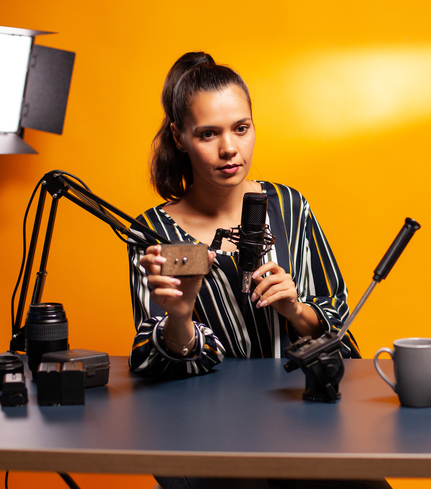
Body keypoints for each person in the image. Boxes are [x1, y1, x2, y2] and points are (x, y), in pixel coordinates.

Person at [127, 52, 388, 489]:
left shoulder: (289, 206)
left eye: (241, 129)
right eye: (208, 134)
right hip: (203, 427)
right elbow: (154, 361)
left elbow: (339, 328)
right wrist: (180, 317)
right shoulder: (152, 231)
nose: (229, 148)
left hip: (301, 413)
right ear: (179, 136)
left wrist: (296, 309)